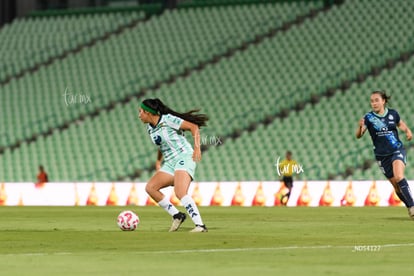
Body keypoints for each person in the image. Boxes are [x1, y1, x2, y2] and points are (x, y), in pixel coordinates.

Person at [138, 98, 209, 232]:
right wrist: (158, 161)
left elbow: (193, 127)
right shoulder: (150, 129)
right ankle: (177, 215)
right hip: (170, 162)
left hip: (184, 157)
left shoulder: (168, 119)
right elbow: (161, 144)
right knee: (151, 188)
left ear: (148, 112)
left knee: (180, 192)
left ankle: (200, 226)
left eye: (140, 111)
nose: (139, 115)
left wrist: (197, 148)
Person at [356, 91, 414, 218]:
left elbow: (400, 123)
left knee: (399, 177)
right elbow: (359, 135)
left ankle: (412, 206)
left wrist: (408, 131)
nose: (374, 103)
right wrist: (360, 127)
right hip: (381, 156)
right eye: (372, 101)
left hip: (396, 150)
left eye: (376, 100)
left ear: (383, 101)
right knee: (397, 187)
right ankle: (409, 206)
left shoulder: (393, 114)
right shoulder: (369, 117)